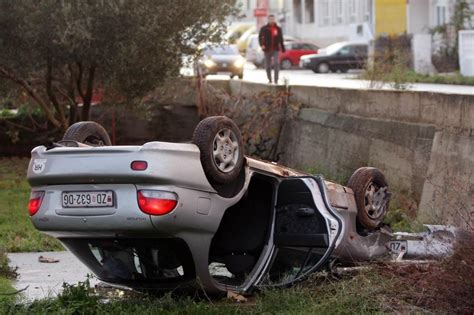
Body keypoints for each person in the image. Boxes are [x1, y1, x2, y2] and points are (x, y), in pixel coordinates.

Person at [258, 15, 285, 84]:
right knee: (268, 65)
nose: (271, 20)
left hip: (275, 49)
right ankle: (269, 79)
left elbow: (281, 39)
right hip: (267, 49)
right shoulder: (264, 28)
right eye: (270, 19)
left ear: (274, 19)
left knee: (276, 63)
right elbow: (260, 37)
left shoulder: (278, 29)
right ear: (268, 20)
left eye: (273, 19)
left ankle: (276, 80)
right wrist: (262, 45)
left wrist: (283, 48)